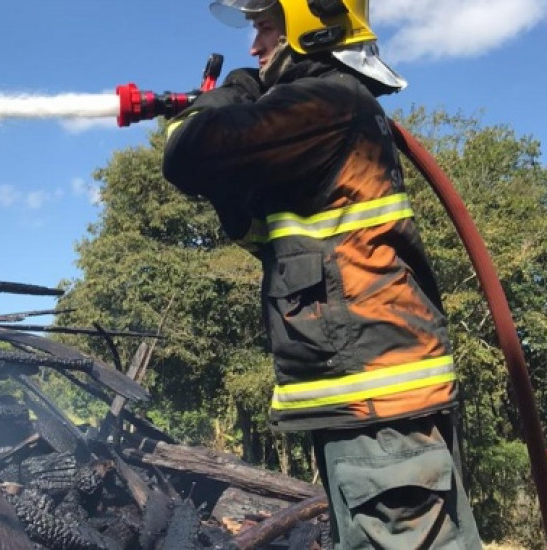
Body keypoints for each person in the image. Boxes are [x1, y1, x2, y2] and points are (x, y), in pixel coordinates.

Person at [161, 1, 483, 548]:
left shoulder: (324, 101)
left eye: (264, 28)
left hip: (377, 406)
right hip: (362, 401)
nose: (253, 48)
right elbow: (266, 236)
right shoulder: (323, 116)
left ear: (310, 27)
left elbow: (188, 153)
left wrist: (228, 95)